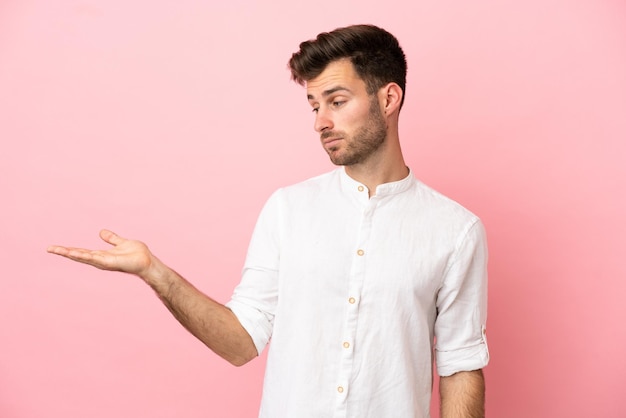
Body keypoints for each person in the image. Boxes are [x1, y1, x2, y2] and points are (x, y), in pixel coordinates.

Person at [47, 24, 489, 418]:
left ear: (388, 98)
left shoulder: (455, 230)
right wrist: (154, 272)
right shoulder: (287, 209)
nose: (322, 121)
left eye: (337, 101)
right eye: (314, 105)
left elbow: (460, 365)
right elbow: (241, 343)